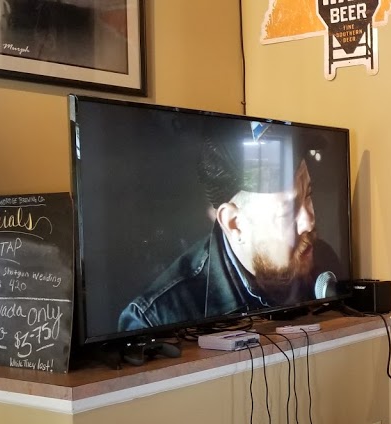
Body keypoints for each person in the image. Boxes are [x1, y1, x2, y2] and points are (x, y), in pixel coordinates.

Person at [118, 121, 341, 332]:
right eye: (287, 211)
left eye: (308, 194)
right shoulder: (154, 319)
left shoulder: (322, 260)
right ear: (234, 224)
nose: (309, 221)